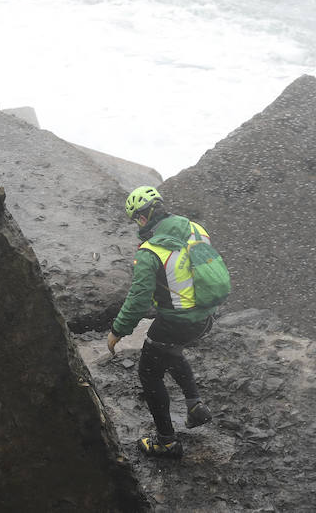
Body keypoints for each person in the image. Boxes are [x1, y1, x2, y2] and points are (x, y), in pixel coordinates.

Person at [107, 185, 216, 459]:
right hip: (205, 316)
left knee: (149, 371)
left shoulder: (150, 250)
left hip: (178, 322)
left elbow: (138, 298)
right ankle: (194, 405)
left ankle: (166, 442)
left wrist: (118, 330)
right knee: (169, 349)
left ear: (141, 218)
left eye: (136, 219)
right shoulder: (195, 230)